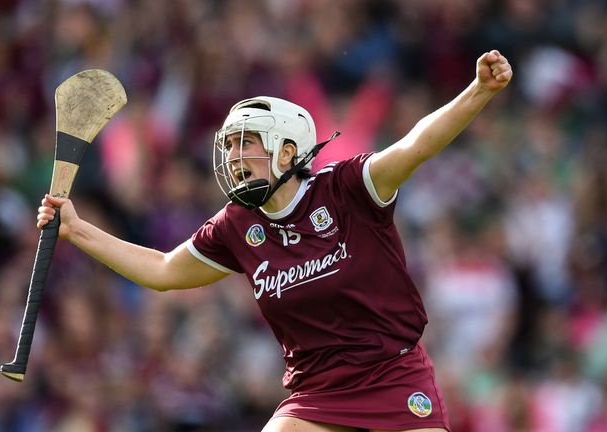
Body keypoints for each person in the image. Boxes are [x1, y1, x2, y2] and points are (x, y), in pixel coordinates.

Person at [37, 50, 513, 432]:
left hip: (394, 373)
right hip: (318, 393)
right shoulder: (236, 225)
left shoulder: (347, 187)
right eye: (229, 146)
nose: (235, 157)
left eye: (248, 144)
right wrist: (78, 230)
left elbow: (416, 145)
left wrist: (478, 91)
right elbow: (163, 272)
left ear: (288, 151)